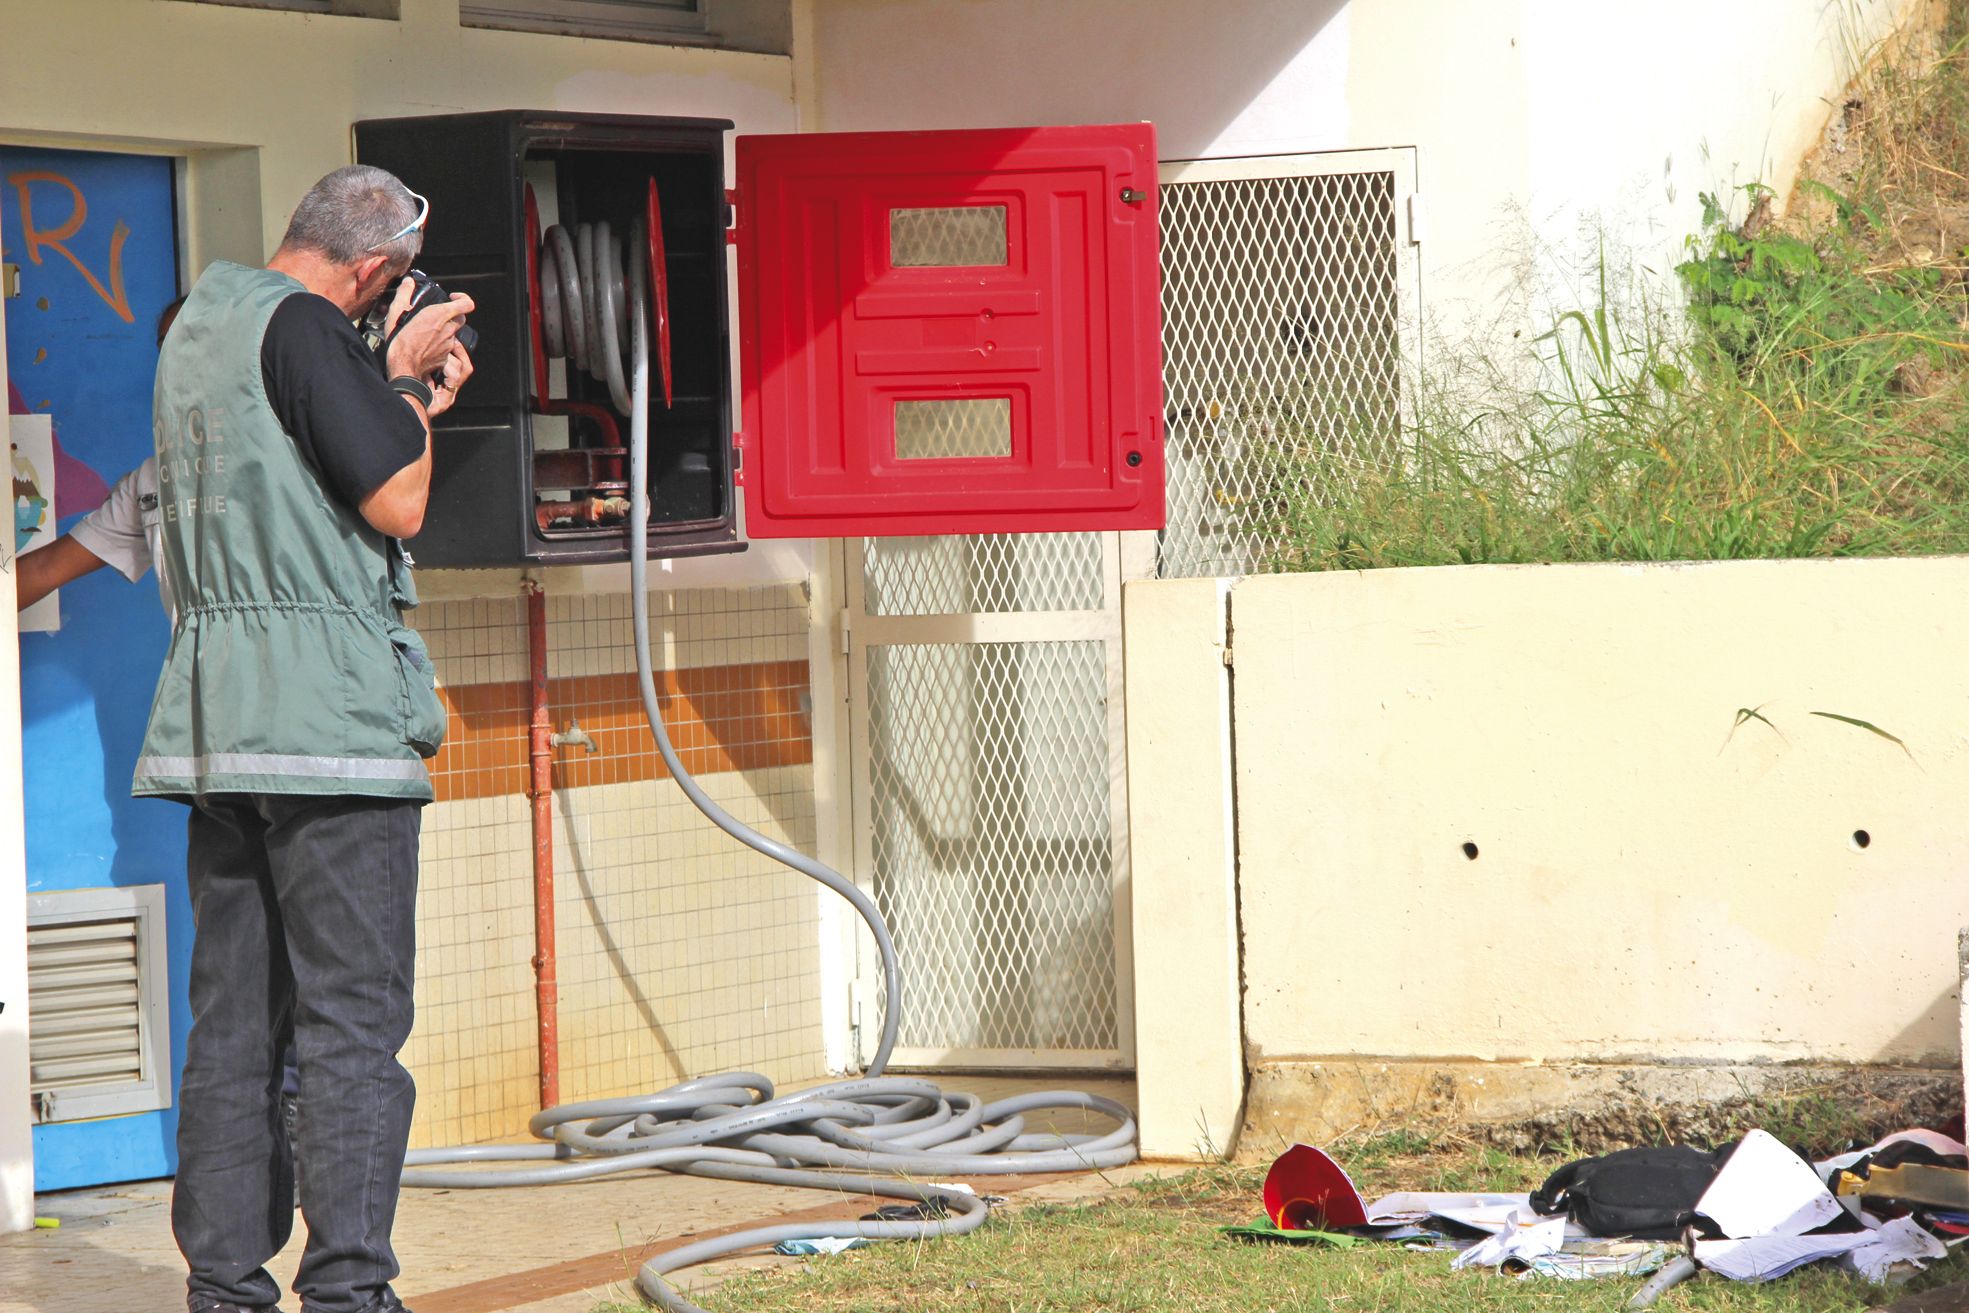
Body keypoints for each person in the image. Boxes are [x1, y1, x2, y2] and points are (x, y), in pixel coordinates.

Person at [136, 164, 474, 1313]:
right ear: (374, 269)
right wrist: (411, 382)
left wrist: (380, 382)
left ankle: (224, 1287)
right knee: (350, 1027)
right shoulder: (309, 329)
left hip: (218, 724)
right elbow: (397, 501)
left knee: (235, 1022)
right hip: (327, 728)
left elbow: (287, 470)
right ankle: (349, 1289)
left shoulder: (201, 325)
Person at [14, 297, 185, 619]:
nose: (181, 359)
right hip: (194, 652)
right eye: (168, 347)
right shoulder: (153, 479)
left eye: (195, 338)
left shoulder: (277, 456)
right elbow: (46, 568)